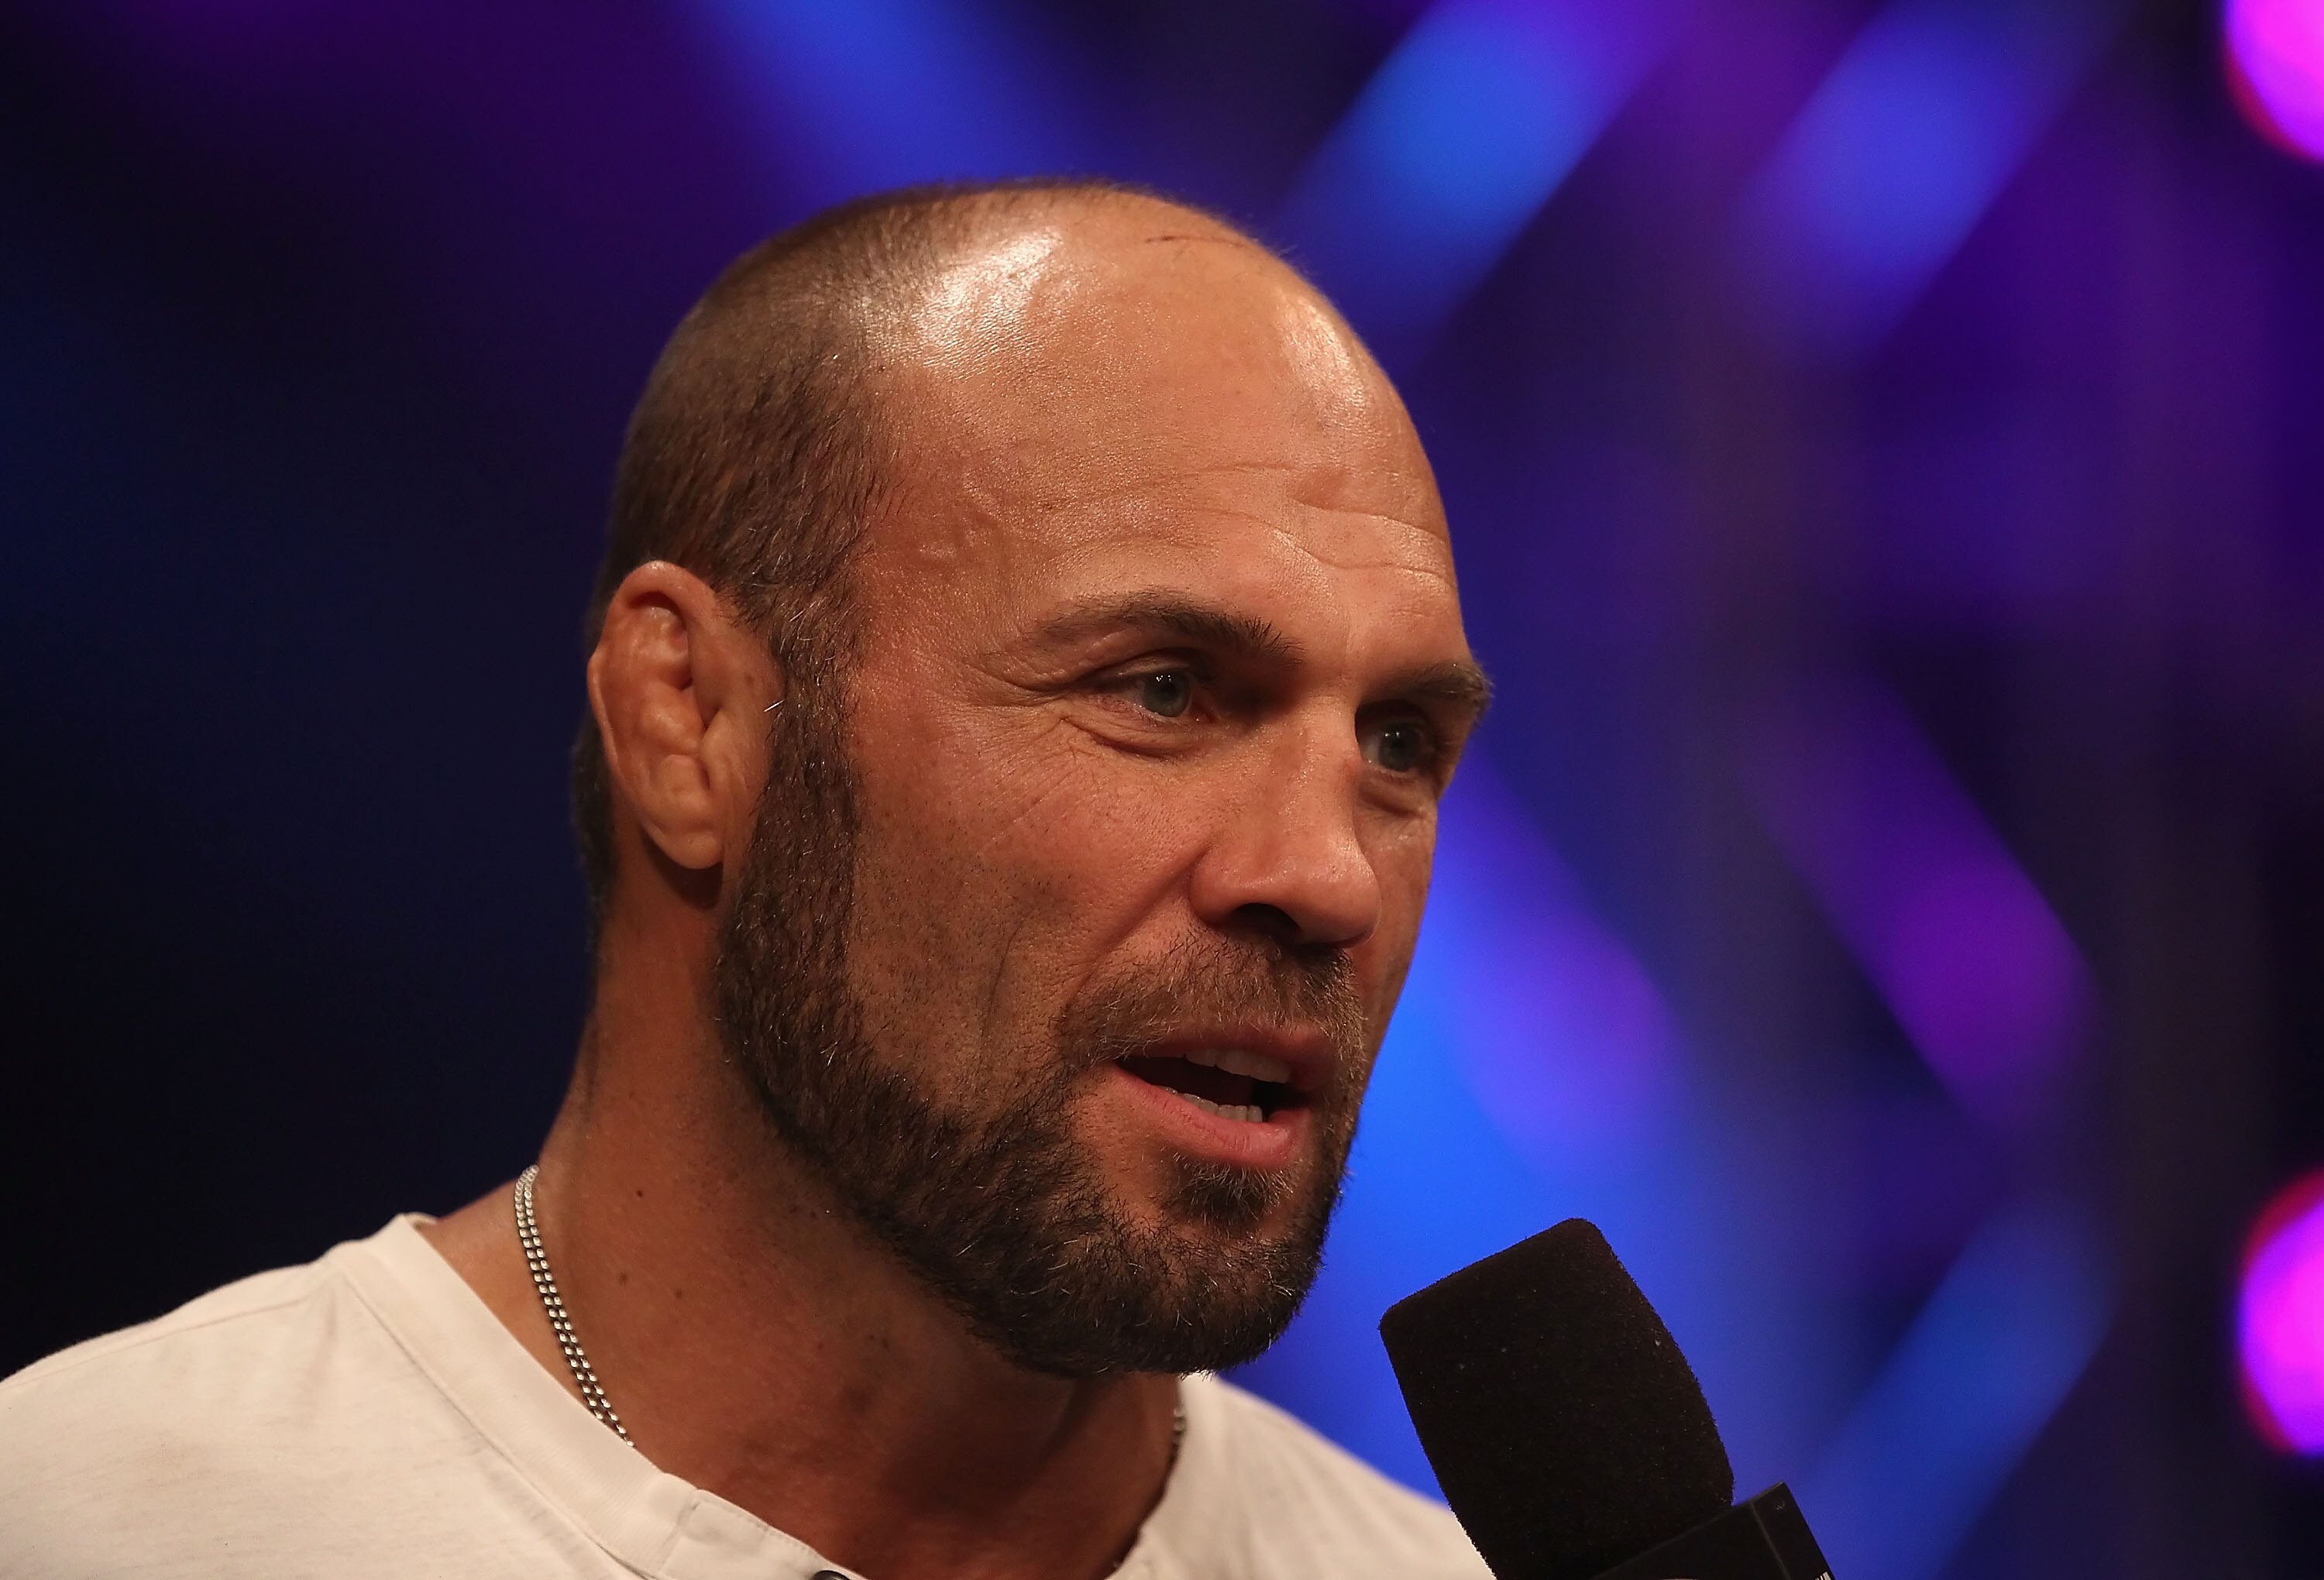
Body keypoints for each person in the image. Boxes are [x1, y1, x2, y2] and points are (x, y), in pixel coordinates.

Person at [0, 179, 1493, 1580]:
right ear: (689, 721)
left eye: (1399, 741)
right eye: (1164, 690)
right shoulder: (99, 1520)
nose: (1328, 877)